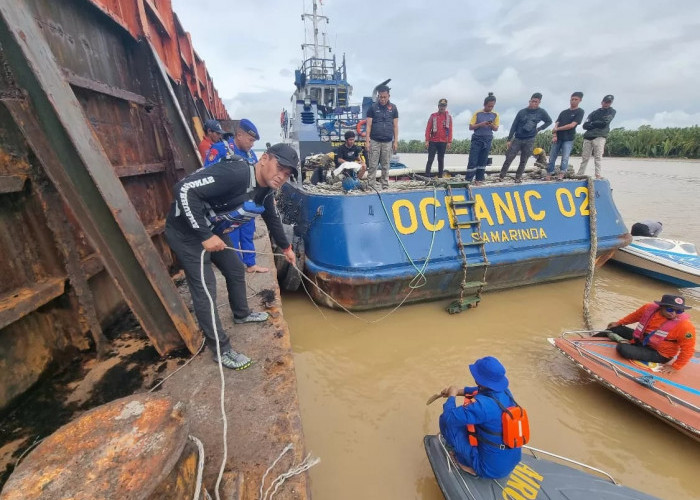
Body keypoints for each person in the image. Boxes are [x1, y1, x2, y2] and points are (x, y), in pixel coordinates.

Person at [164, 144, 298, 369]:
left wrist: (286, 248)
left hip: (211, 229)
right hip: (186, 232)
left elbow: (272, 217)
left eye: (287, 174)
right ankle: (221, 350)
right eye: (280, 168)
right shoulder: (235, 173)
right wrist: (204, 235)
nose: (282, 176)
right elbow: (183, 189)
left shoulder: (265, 188)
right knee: (206, 289)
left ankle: (241, 313)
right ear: (264, 159)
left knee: (235, 269)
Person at [438, 356, 522, 479]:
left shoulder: (482, 407)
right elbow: (476, 391)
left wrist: (451, 397)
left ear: (478, 379)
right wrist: (455, 391)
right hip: (510, 461)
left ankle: (470, 466)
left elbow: (448, 417)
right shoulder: (505, 392)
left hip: (489, 469)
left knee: (447, 423)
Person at [203, 119, 268, 274]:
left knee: (247, 234)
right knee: (232, 237)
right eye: (250, 140)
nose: (252, 144)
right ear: (239, 135)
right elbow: (208, 176)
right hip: (228, 207)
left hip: (246, 205)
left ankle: (251, 264)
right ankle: (237, 269)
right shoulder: (220, 150)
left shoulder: (251, 154)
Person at [604, 294, 695, 373]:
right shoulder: (648, 308)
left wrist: (676, 367)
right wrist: (619, 323)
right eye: (670, 309)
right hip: (642, 339)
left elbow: (688, 349)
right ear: (661, 306)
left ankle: (631, 346)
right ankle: (590, 341)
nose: (674, 314)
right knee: (614, 328)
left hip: (659, 353)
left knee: (623, 348)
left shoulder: (685, 326)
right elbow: (634, 316)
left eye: (679, 311)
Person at [498, 93, 552, 183]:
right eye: (532, 101)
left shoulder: (541, 112)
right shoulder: (522, 112)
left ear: (539, 102)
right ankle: (501, 176)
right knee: (509, 158)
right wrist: (509, 139)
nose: (533, 103)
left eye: (536, 102)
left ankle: (518, 177)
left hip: (530, 139)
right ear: (529, 101)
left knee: (524, 160)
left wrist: (539, 129)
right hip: (518, 138)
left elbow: (549, 121)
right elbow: (514, 125)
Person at [365, 84, 399, 190]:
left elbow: (395, 126)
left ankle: (385, 184)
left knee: (386, 164)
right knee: (373, 164)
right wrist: (367, 141)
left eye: (384, 97)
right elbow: (368, 126)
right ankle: (371, 184)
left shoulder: (393, 108)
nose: (382, 99)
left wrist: (395, 141)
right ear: (378, 96)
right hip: (375, 140)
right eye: (380, 97)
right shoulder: (373, 108)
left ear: (388, 96)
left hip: (388, 141)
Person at [547, 92, 584, 180]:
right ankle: (549, 173)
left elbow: (571, 125)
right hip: (558, 138)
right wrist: (555, 134)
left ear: (580, 100)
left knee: (565, 157)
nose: (573, 101)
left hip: (568, 139)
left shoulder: (580, 112)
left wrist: (558, 129)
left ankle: (561, 174)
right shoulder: (563, 112)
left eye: (576, 99)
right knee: (552, 157)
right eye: (572, 99)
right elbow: (556, 123)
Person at [577, 95, 616, 178]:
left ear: (611, 103)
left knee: (598, 157)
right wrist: (596, 123)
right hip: (588, 136)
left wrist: (593, 123)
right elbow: (585, 125)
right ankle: (580, 174)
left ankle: (597, 174)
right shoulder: (594, 112)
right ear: (602, 102)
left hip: (600, 136)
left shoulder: (611, 111)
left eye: (608, 102)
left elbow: (605, 122)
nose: (606, 104)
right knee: (585, 157)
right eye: (605, 102)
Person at [466, 93, 499, 185]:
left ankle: (479, 179)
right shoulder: (477, 114)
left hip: (488, 139)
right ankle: (468, 179)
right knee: (473, 160)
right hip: (477, 139)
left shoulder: (495, 115)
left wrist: (491, 124)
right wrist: (481, 124)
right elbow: (471, 127)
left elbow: (496, 128)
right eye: (489, 106)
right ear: (485, 104)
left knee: (483, 160)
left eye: (492, 106)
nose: (490, 108)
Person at [424, 98, 453, 178]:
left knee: (441, 160)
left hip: (443, 141)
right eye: (441, 106)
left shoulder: (449, 118)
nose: (442, 107)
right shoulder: (433, 116)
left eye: (444, 106)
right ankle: (427, 176)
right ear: (438, 106)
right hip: (433, 141)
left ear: (446, 106)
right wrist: (427, 140)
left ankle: (440, 176)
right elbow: (428, 129)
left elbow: (450, 130)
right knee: (430, 159)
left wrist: (449, 141)